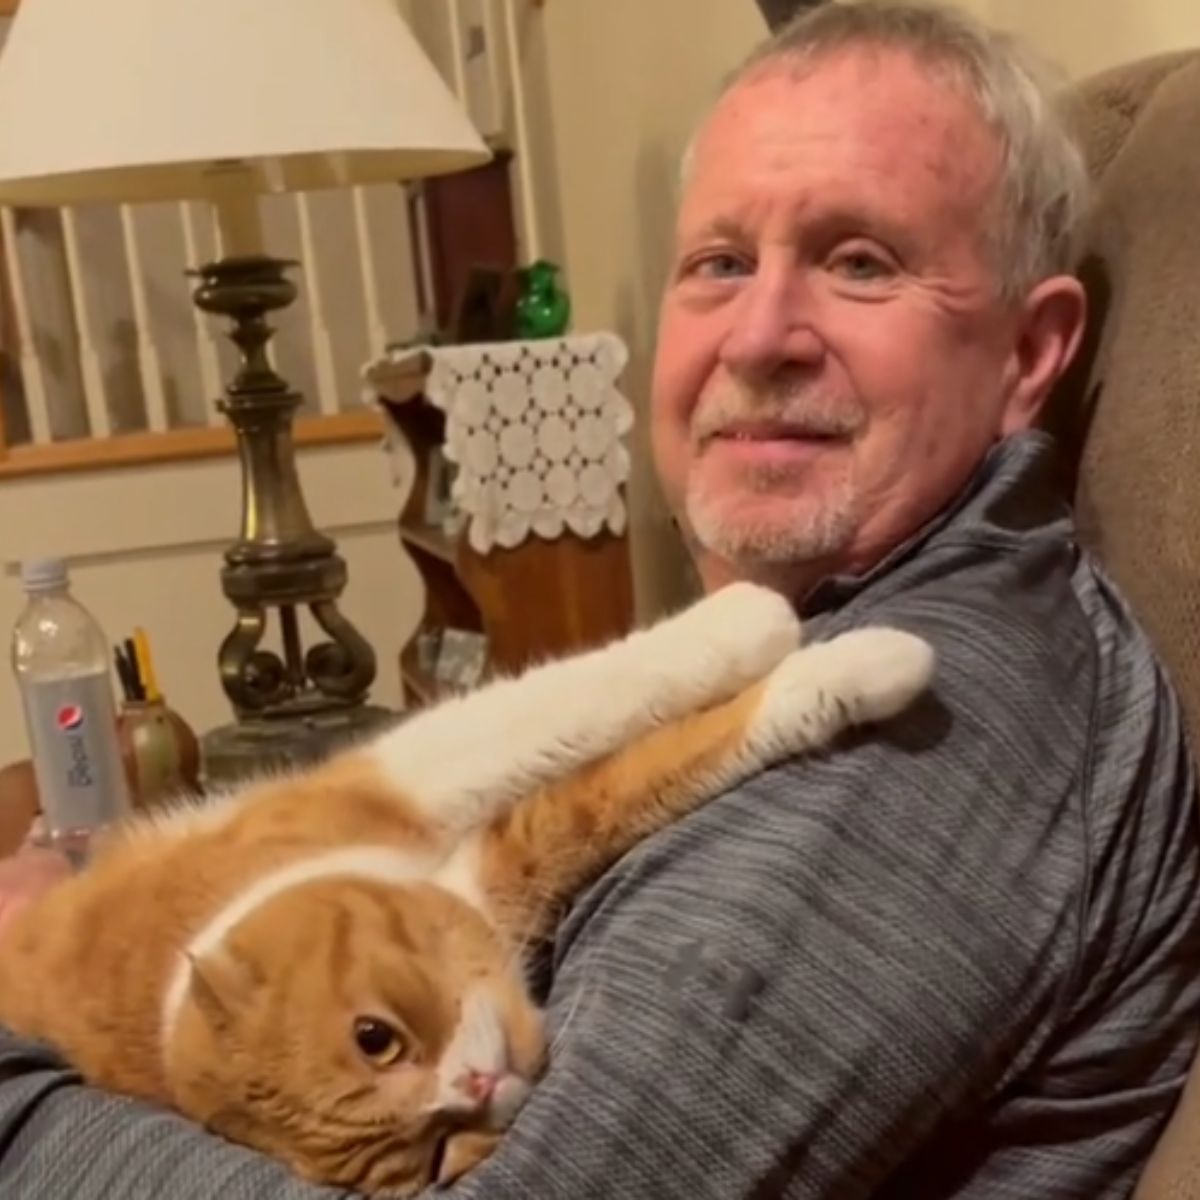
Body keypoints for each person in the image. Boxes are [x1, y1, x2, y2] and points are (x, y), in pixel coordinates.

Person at [1, 3, 1197, 1197]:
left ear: (1031, 355)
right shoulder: (840, 616)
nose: (760, 335)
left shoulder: (920, 731)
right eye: (719, 264)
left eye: (859, 262)